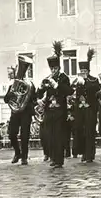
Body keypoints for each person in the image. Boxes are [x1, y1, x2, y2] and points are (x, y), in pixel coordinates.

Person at [36, 41, 73, 169]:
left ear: (59, 68)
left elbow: (69, 91)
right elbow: (39, 93)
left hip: (59, 110)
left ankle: (59, 160)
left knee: (58, 136)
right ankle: (52, 157)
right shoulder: (47, 78)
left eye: (55, 69)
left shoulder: (64, 78)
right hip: (49, 110)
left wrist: (56, 85)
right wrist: (41, 88)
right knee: (49, 136)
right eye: (52, 69)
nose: (53, 71)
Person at [4, 57, 36, 165]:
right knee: (12, 134)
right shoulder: (12, 86)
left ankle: (24, 157)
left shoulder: (30, 85)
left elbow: (34, 100)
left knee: (25, 135)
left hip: (26, 113)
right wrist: (12, 93)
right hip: (15, 113)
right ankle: (17, 152)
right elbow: (6, 100)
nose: (20, 75)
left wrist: (27, 103)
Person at [72, 48, 101, 162]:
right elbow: (75, 94)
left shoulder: (94, 80)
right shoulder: (78, 81)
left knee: (90, 132)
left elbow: (96, 92)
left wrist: (86, 82)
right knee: (81, 131)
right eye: (81, 71)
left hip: (90, 110)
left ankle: (90, 154)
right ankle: (83, 152)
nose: (83, 73)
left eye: (85, 71)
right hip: (80, 110)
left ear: (88, 71)